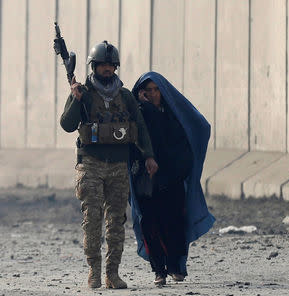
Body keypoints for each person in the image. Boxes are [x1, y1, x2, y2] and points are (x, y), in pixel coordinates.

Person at [60, 41, 158, 289]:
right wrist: (75, 98)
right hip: (90, 165)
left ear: (115, 67)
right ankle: (94, 270)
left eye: (110, 65)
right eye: (102, 65)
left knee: (116, 221)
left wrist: (148, 155)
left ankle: (112, 274)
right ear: (94, 67)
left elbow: (140, 127)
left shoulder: (125, 96)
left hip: (117, 166)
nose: (106, 69)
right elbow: (67, 124)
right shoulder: (83, 92)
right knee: (91, 219)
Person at [128, 71, 215, 286]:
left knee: (174, 223)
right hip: (146, 179)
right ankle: (159, 270)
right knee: (149, 223)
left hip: (171, 178)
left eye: (156, 90)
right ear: (141, 93)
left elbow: (182, 140)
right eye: (147, 91)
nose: (152, 94)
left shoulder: (172, 115)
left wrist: (179, 171)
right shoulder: (138, 115)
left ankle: (175, 266)